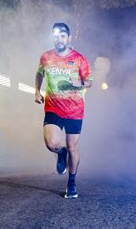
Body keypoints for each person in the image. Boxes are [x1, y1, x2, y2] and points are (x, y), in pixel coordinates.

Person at [35, 22, 93, 198]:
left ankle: (72, 184)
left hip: (75, 110)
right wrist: (37, 90)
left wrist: (81, 83)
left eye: (62, 36)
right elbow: (39, 73)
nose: (59, 39)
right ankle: (61, 154)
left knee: (72, 147)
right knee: (51, 143)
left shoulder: (79, 59)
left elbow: (90, 81)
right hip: (53, 107)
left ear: (69, 38)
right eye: (56, 36)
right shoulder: (46, 57)